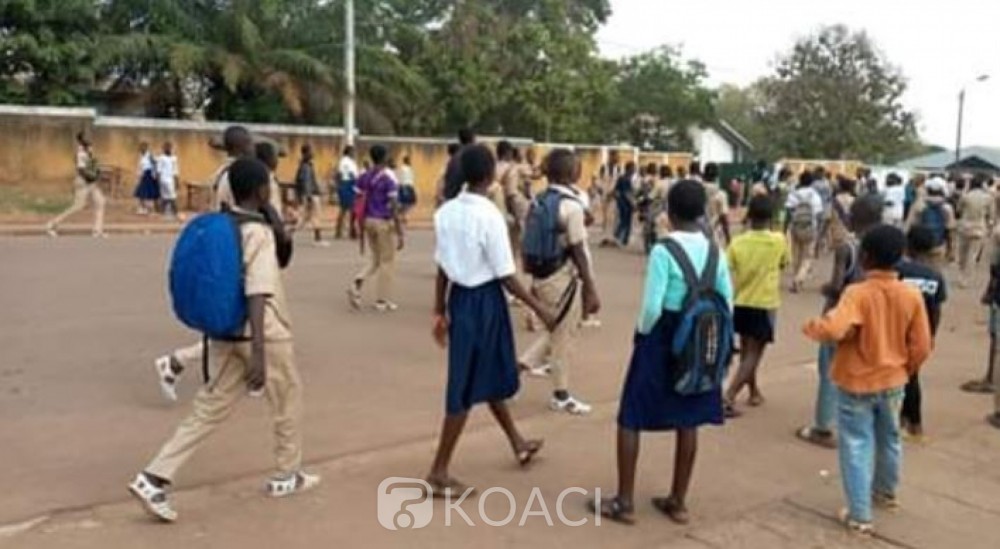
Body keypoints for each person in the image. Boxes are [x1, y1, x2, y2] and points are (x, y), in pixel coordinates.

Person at [128, 158, 319, 523]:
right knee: (287, 399)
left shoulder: (222, 225)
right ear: (262, 191)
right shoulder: (257, 232)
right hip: (263, 333)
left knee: (209, 408)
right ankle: (287, 473)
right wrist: (259, 352)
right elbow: (258, 291)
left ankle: (153, 477)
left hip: (224, 331)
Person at [590, 180, 733, 525]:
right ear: (703, 212)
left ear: (669, 212)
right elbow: (727, 300)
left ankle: (624, 501)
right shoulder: (715, 251)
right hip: (698, 339)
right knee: (689, 418)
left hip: (662, 335)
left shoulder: (663, 250)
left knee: (632, 414)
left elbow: (652, 306)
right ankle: (678, 501)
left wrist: (642, 335)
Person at [426, 144, 554, 496]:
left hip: (460, 298)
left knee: (491, 372)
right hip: (484, 302)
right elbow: (506, 275)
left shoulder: (446, 212)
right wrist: (539, 308)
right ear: (491, 175)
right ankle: (439, 471)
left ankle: (517, 442)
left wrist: (440, 308)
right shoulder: (489, 216)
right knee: (464, 387)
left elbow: (442, 266)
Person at [803, 224, 932, 536]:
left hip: (857, 382)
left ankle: (860, 514)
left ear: (865, 257)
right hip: (893, 381)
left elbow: (834, 329)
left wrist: (813, 327)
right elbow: (922, 345)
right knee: (890, 438)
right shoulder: (911, 295)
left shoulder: (857, 293)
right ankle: (885, 493)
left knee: (856, 443)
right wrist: (906, 368)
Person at [153, 126, 259, 403]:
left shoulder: (222, 173)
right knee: (245, 321)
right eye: (249, 142)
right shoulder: (238, 175)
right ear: (242, 146)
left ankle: (189, 365)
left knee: (239, 323)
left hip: (226, 248)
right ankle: (178, 362)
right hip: (236, 250)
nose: (252, 147)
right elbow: (240, 213)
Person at [796, 194, 884, 449]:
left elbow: (837, 286)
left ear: (853, 218)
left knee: (829, 371)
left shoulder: (847, 247)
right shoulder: (886, 246)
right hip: (871, 316)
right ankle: (861, 421)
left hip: (841, 316)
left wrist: (825, 289)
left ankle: (823, 427)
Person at [519, 149, 602, 415]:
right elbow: (578, 249)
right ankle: (561, 395)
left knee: (559, 328)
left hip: (541, 274)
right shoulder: (572, 206)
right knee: (564, 338)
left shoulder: (540, 200)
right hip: (561, 276)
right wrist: (590, 287)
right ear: (571, 173)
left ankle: (519, 367)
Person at [723, 195, 789, 417]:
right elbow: (784, 263)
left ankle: (753, 391)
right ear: (771, 217)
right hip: (765, 302)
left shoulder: (738, 242)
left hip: (741, 300)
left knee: (747, 351)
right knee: (754, 353)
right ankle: (729, 395)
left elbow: (728, 266)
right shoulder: (778, 240)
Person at [896, 225, 947, 442]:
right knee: (912, 375)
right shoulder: (935, 277)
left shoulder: (899, 270)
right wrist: (932, 335)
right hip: (922, 334)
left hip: (899, 332)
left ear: (907, 246)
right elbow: (936, 310)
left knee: (901, 378)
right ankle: (912, 422)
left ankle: (907, 421)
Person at [348, 145, 404, 312]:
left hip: (368, 220)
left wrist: (354, 223)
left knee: (375, 259)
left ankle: (357, 281)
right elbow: (394, 206)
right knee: (387, 261)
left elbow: (357, 201)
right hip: (383, 222)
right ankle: (382, 300)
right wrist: (400, 231)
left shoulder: (364, 177)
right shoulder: (388, 179)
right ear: (385, 157)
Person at [46, 132, 106, 238]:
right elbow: (81, 170)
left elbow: (94, 166)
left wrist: (97, 172)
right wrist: (93, 176)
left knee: (100, 202)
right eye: (89, 144)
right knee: (78, 206)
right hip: (83, 182)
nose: (91, 145)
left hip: (91, 183)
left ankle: (97, 230)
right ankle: (52, 224)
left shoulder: (88, 153)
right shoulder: (81, 154)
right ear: (84, 145)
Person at [784, 171, 823, 292]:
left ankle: (796, 278)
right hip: (810, 228)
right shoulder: (815, 195)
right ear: (811, 182)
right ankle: (799, 279)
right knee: (807, 257)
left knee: (796, 255)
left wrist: (785, 228)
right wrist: (819, 230)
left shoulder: (794, 194)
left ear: (800, 181)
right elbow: (819, 214)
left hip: (795, 227)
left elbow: (788, 212)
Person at [905, 177, 956, 270]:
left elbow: (908, 226)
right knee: (935, 271)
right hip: (938, 246)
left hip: (919, 246)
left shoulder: (918, 205)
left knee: (918, 270)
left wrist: (907, 248)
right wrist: (950, 250)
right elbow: (950, 231)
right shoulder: (947, 207)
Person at [956, 175, 994, 288]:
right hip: (979, 227)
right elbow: (991, 216)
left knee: (962, 253)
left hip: (964, 227)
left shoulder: (966, 196)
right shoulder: (988, 198)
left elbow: (958, 210)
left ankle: (961, 275)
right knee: (972, 255)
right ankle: (966, 279)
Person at [294, 144, 326, 246]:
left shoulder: (307, 165)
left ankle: (288, 233)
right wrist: (308, 196)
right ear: (306, 153)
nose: (313, 153)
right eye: (310, 151)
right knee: (315, 217)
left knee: (304, 219)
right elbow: (306, 182)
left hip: (310, 194)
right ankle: (318, 239)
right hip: (311, 195)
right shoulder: (306, 167)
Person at [442, 128, 476, 201]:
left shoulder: (454, 158)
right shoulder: (472, 156)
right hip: (462, 198)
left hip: (450, 197)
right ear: (473, 139)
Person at [701, 162, 731, 247]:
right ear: (717, 176)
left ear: (704, 175)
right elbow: (724, 218)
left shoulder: (697, 191)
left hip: (698, 233)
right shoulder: (721, 194)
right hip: (714, 233)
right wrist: (728, 237)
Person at [335, 146, 359, 240]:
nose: (354, 153)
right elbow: (343, 174)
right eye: (353, 151)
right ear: (349, 152)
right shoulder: (344, 161)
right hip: (347, 184)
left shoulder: (350, 161)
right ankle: (347, 231)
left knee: (348, 209)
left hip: (350, 184)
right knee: (346, 209)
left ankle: (347, 230)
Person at [612, 162, 637, 247]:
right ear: (629, 169)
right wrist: (633, 203)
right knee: (625, 221)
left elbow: (615, 190)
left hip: (622, 202)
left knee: (625, 220)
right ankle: (620, 237)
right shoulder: (626, 179)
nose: (634, 170)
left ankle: (622, 238)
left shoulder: (622, 178)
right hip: (625, 203)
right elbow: (627, 193)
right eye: (633, 168)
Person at [812, 167, 834, 256]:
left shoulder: (814, 184)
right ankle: (817, 247)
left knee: (817, 229)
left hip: (818, 209)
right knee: (821, 230)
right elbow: (830, 196)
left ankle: (816, 247)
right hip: (825, 209)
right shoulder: (826, 183)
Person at [156, 142, 180, 219]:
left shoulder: (174, 158)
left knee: (168, 197)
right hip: (163, 179)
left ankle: (164, 211)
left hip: (170, 179)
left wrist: (177, 181)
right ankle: (176, 212)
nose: (168, 149)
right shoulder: (161, 158)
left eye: (169, 148)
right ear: (163, 149)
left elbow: (175, 171)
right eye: (166, 148)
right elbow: (159, 170)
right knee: (170, 196)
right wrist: (158, 181)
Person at [133, 142, 159, 215]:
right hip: (143, 174)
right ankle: (142, 208)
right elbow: (140, 166)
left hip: (149, 175)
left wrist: (154, 174)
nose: (141, 149)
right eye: (141, 148)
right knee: (141, 192)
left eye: (143, 147)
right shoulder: (141, 156)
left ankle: (150, 209)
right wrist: (138, 174)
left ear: (146, 148)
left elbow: (155, 163)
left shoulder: (150, 155)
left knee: (149, 193)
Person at [397, 155, 418, 224]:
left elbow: (401, 178)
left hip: (406, 186)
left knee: (405, 203)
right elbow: (406, 179)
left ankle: (404, 216)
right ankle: (404, 216)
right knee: (407, 203)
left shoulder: (406, 169)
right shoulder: (407, 169)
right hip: (407, 187)